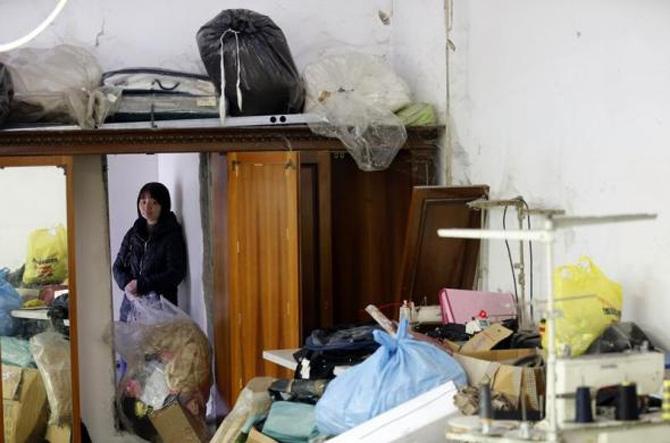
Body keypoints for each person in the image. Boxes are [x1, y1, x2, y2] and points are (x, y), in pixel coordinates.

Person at [113, 182, 187, 321]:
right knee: (130, 342)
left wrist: (142, 285)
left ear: (163, 205)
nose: (147, 207)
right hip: (131, 309)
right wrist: (127, 284)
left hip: (161, 311)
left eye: (154, 202)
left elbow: (176, 272)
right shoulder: (133, 233)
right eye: (143, 201)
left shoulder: (171, 234)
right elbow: (117, 266)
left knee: (157, 343)